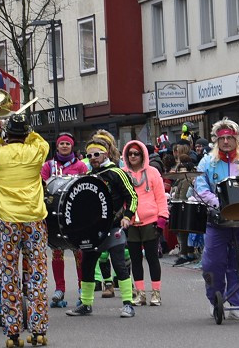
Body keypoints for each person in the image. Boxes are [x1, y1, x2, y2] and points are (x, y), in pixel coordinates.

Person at [0, 115, 52, 346]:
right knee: (37, 274)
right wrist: (29, 131)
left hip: (7, 221)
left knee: (8, 274)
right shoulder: (35, 152)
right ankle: (38, 329)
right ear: (25, 134)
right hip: (34, 219)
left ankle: (12, 331)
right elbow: (41, 143)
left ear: (8, 135)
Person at [66, 130, 139, 320]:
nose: (93, 158)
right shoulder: (88, 175)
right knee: (88, 265)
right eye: (89, 155)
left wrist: (127, 216)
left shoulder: (116, 173)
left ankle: (128, 304)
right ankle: (86, 303)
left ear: (105, 154)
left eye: (96, 154)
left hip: (114, 226)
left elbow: (131, 196)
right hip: (94, 230)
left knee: (119, 264)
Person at [192, 119, 239, 319]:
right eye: (223, 138)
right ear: (217, 140)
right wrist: (217, 203)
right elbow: (200, 188)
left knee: (238, 262)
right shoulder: (207, 162)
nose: (227, 142)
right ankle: (216, 301)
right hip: (217, 220)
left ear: (236, 139)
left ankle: (236, 303)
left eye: (230, 138)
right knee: (212, 263)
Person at [40, 133, 87, 307]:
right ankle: (59, 289)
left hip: (75, 216)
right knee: (57, 251)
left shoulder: (81, 166)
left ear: (72, 146)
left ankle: (83, 288)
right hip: (54, 216)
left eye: (68, 143)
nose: (65, 146)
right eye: (62, 144)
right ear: (57, 147)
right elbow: (42, 186)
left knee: (79, 252)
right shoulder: (48, 166)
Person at [122, 139, 167, 306]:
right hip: (131, 222)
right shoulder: (122, 173)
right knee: (134, 259)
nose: (133, 156)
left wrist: (162, 218)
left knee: (152, 258)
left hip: (151, 220)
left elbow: (161, 197)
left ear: (143, 155)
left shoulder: (153, 172)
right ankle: (140, 293)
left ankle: (156, 293)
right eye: (130, 153)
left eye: (136, 153)